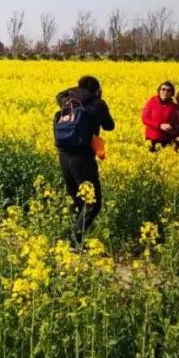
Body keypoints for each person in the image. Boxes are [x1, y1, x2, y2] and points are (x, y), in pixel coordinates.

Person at [54, 75, 115, 245]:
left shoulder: (67, 101)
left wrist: (74, 91)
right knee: (93, 202)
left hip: (63, 155)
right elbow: (110, 126)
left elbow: (58, 95)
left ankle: (69, 235)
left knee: (77, 198)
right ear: (97, 90)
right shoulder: (97, 104)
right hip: (82, 158)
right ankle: (75, 242)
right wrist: (97, 99)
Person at [141, 81, 177, 151]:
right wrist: (159, 125)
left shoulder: (174, 107)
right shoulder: (152, 101)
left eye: (169, 90)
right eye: (163, 89)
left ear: (172, 93)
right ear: (159, 91)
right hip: (151, 140)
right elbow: (145, 118)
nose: (165, 92)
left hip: (167, 141)